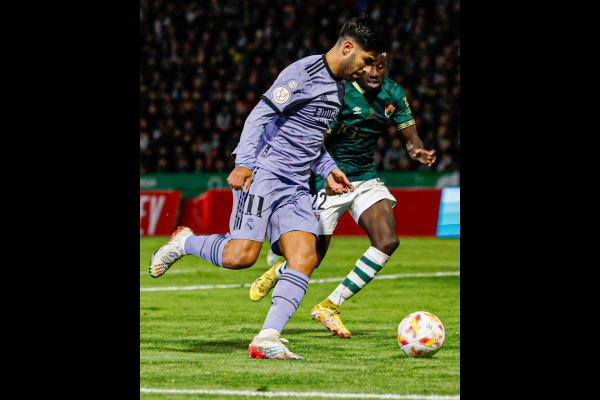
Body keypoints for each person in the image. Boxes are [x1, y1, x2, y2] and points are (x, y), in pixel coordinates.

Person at [149, 16, 388, 360]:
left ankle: (267, 338)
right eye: (366, 60)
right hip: (264, 173)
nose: (368, 70)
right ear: (348, 47)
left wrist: (328, 168)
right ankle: (184, 242)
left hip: (296, 185)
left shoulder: (339, 89)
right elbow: (258, 116)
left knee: (305, 257)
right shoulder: (303, 73)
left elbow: (310, 139)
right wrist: (245, 162)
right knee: (240, 257)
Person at [249, 51, 436, 339]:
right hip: (330, 179)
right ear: (359, 68)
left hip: (364, 177)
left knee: (387, 241)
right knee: (312, 258)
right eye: (369, 66)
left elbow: (411, 137)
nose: (375, 72)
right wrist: (323, 174)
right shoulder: (339, 94)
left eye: (381, 67)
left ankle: (330, 305)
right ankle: (279, 270)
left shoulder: (393, 93)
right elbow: (313, 141)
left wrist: (417, 150)